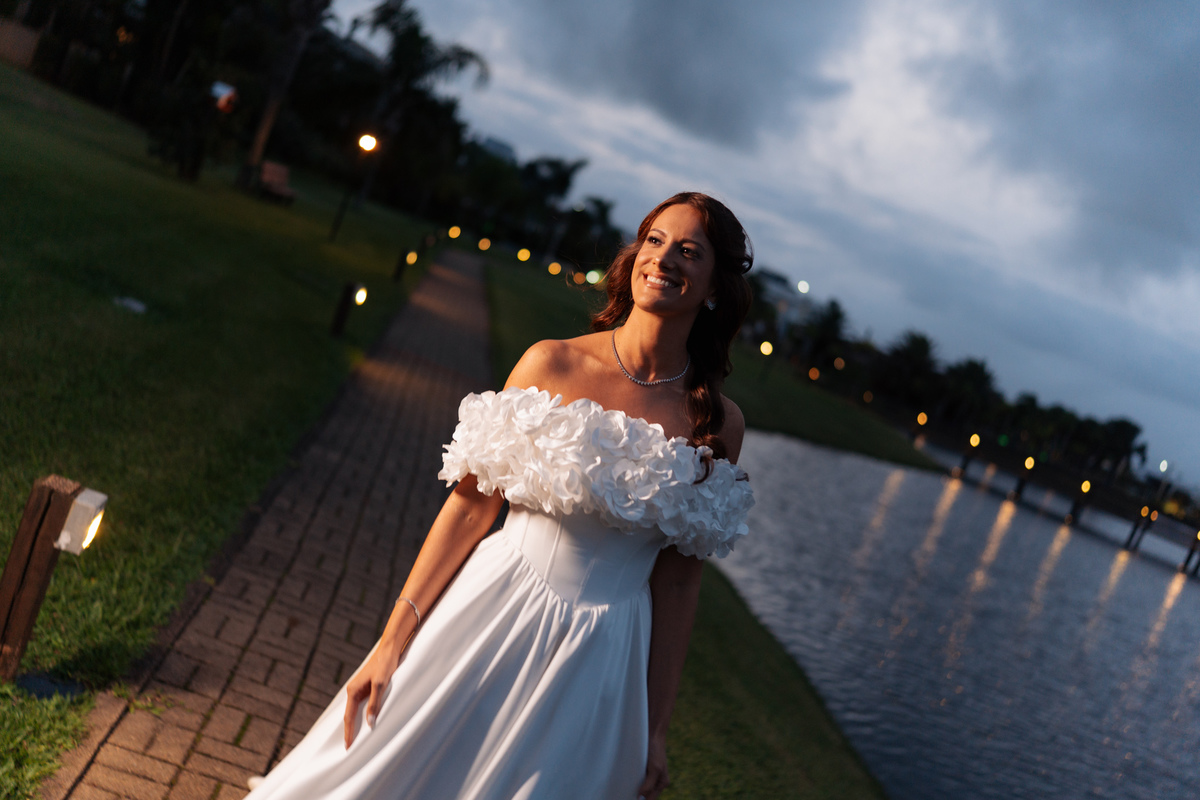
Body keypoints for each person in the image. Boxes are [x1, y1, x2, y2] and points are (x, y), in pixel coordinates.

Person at [245, 192, 756, 800]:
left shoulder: (718, 425)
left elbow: (677, 583)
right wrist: (390, 644)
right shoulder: (552, 364)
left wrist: (657, 728)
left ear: (715, 285)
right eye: (655, 240)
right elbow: (469, 507)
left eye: (689, 251)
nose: (664, 259)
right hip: (496, 609)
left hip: (606, 656)